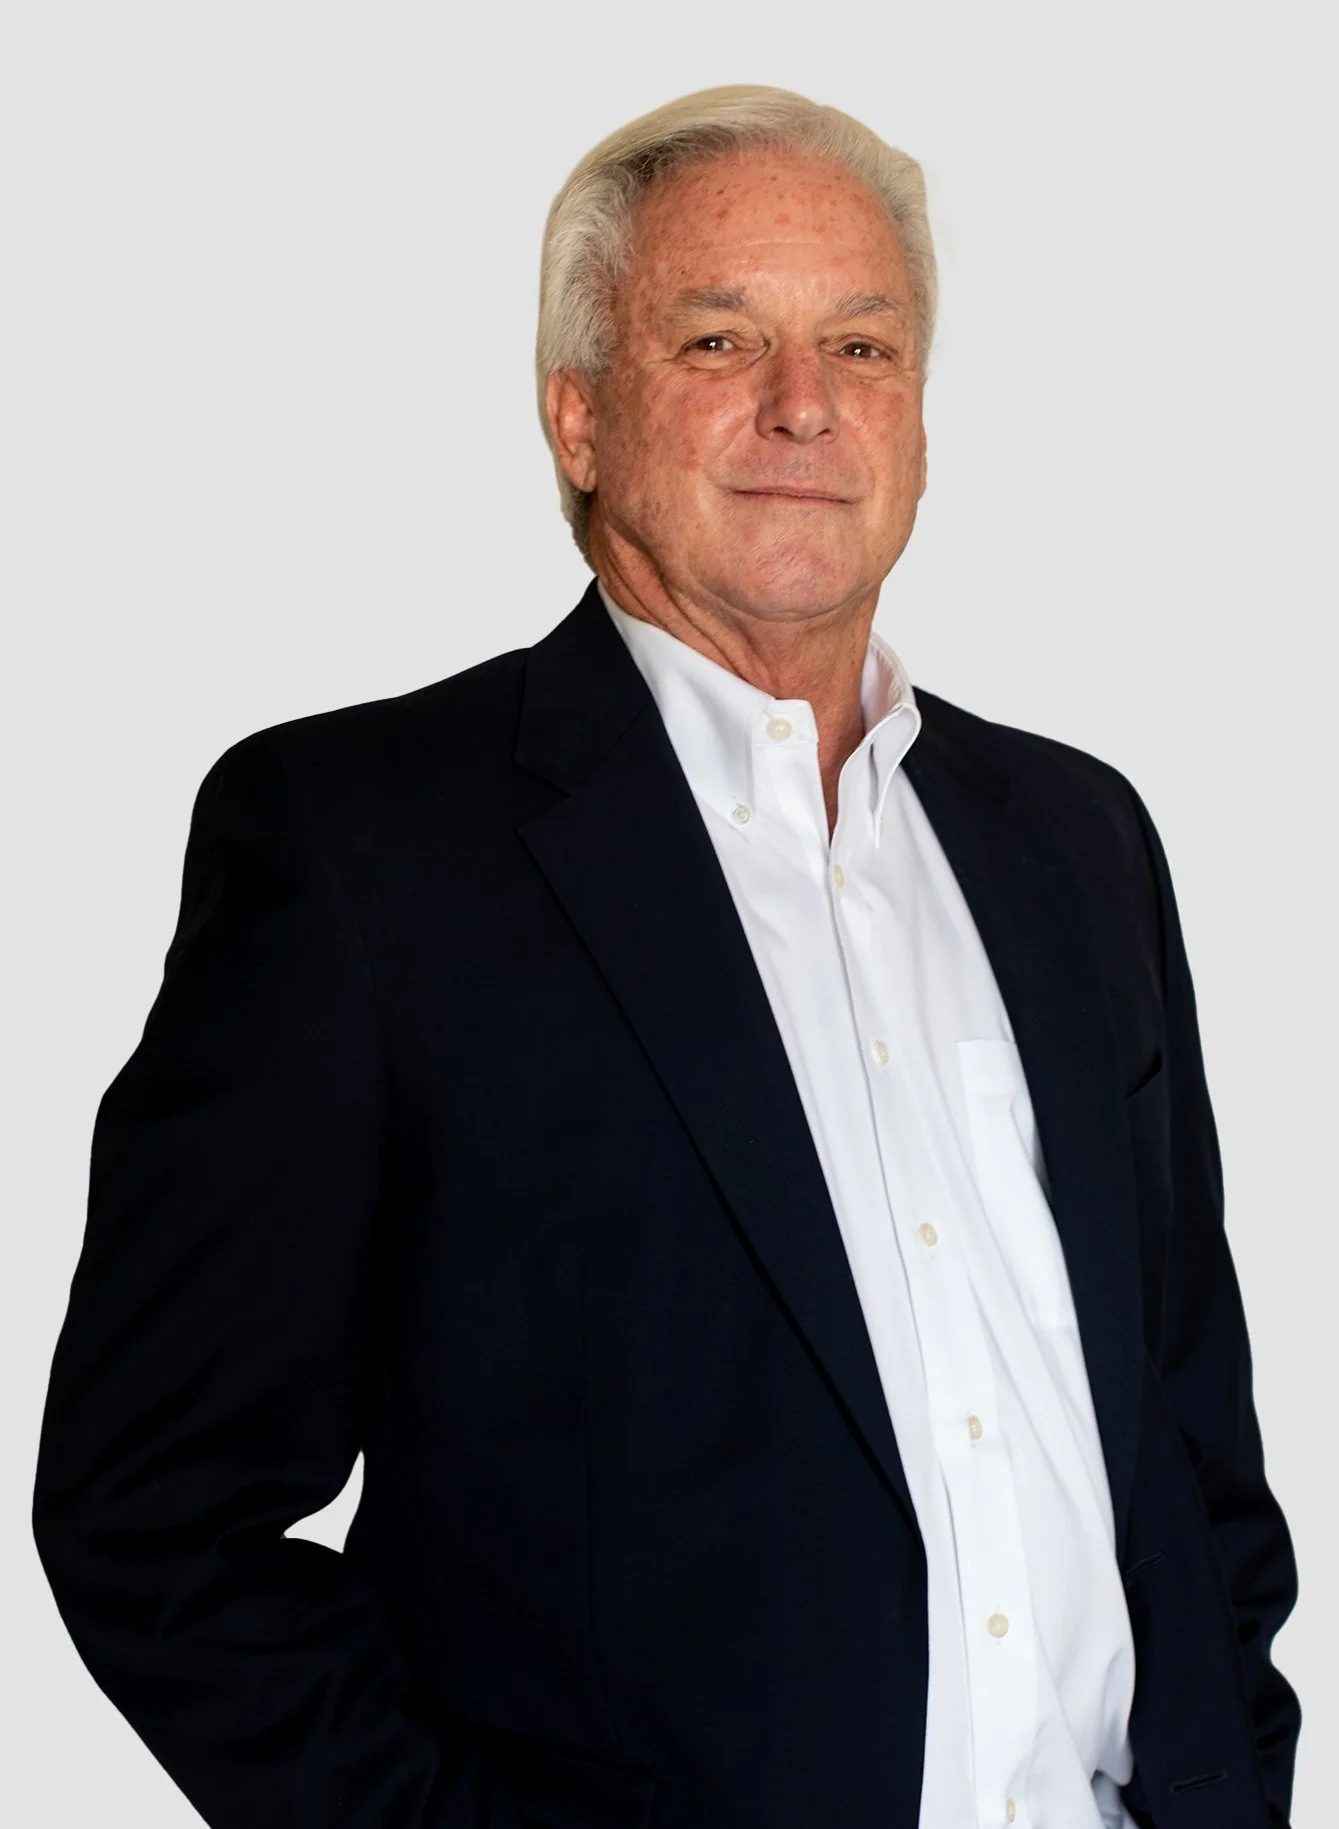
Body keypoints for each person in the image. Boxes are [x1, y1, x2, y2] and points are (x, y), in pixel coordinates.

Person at [32, 84, 1300, 1829]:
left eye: (860, 344)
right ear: (577, 413)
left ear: (918, 414)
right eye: (720, 337)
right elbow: (158, 1520)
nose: (803, 403)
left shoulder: (1073, 841)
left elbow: (1179, 1424)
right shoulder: (361, 848)